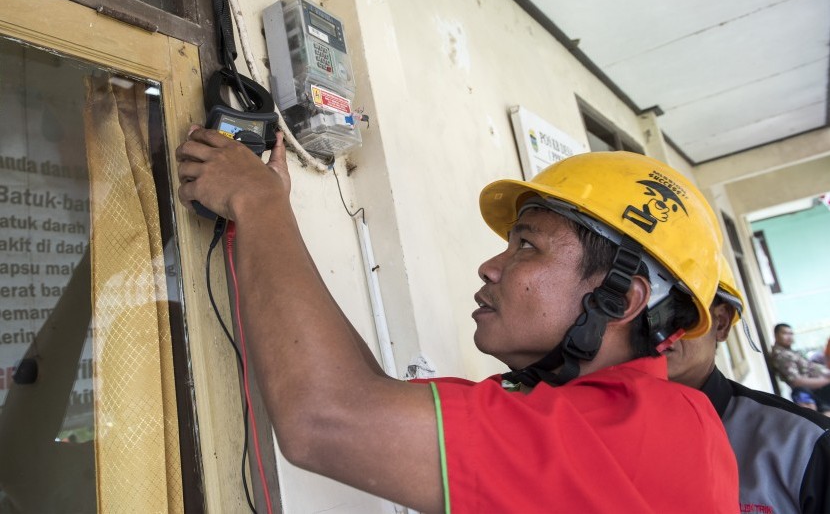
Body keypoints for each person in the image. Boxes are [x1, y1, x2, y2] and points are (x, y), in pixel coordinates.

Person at [176, 128, 738, 512]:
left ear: (623, 299)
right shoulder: (643, 419)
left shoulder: (630, 432)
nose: (490, 267)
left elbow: (324, 417)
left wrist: (259, 203)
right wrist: (268, 211)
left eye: (526, 246)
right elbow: (364, 400)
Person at [666, 257, 830, 513]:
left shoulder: (804, 444)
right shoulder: (597, 439)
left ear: (720, 323)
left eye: (676, 310)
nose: (653, 327)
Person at [770, 323, 830, 412]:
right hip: (816, 390)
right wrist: (826, 380)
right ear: (776, 335)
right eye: (785, 333)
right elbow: (796, 382)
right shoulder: (781, 355)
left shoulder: (788, 351)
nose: (789, 337)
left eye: (791, 334)